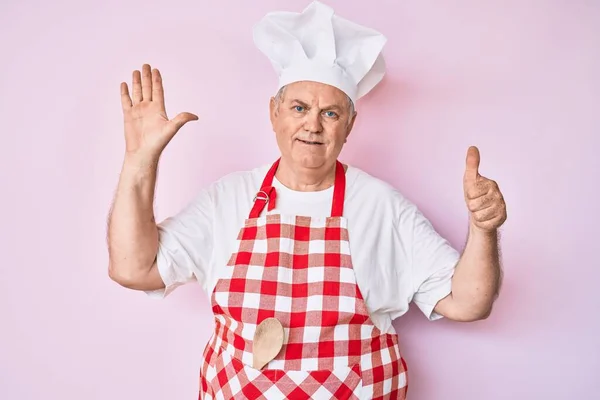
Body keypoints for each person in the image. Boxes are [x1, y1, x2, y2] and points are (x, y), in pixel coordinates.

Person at [107, 1, 507, 398]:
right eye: (299, 107)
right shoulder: (227, 199)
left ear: (349, 126)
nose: (312, 125)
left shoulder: (382, 206)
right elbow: (134, 268)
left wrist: (483, 229)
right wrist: (139, 163)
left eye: (331, 114)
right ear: (274, 113)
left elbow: (468, 303)